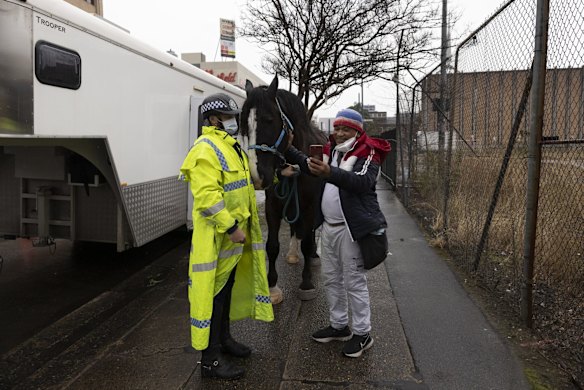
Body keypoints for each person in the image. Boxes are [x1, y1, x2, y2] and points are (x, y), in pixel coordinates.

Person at [179, 93, 274, 379]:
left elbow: (242, 185)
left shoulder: (230, 146)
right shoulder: (205, 149)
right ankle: (210, 360)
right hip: (217, 239)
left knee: (227, 293)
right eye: (228, 117)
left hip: (232, 240)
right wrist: (232, 227)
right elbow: (208, 198)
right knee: (213, 298)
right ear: (211, 119)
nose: (233, 122)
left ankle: (225, 341)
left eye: (234, 117)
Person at [282, 108, 390, 358]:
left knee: (354, 282)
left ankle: (363, 333)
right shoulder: (331, 151)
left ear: (357, 131)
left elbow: (362, 182)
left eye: (346, 129)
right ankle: (339, 325)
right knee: (332, 279)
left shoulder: (369, 152)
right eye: (337, 128)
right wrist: (289, 150)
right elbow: (311, 167)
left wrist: (329, 172)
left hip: (351, 231)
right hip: (329, 228)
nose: (339, 133)